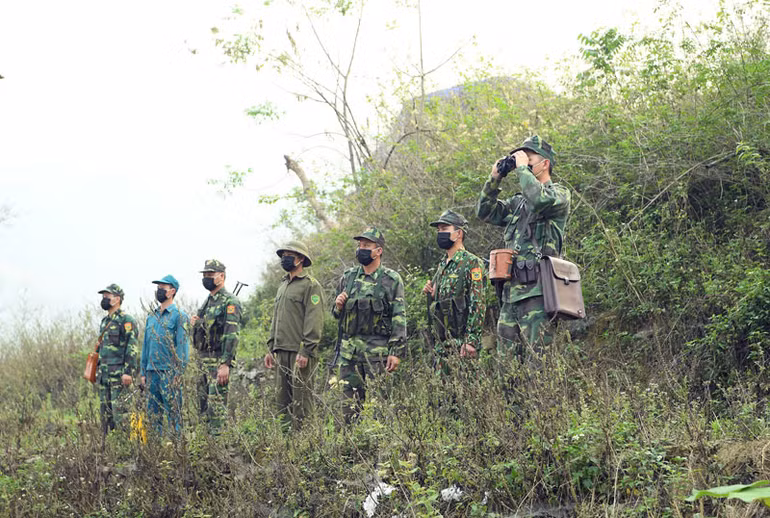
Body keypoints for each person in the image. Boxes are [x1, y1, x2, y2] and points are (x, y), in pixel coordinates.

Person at [476, 135, 571, 361]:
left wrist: (521, 170)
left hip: (540, 293)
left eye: (529, 158)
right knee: (507, 368)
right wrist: (494, 178)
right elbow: (485, 212)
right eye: (522, 159)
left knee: (539, 365)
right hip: (511, 295)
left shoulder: (558, 194)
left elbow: (539, 200)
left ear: (545, 163)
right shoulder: (517, 204)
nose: (524, 163)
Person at [332, 227, 406, 423]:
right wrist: (338, 306)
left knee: (380, 411)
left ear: (378, 250)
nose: (361, 249)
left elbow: (399, 316)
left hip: (377, 356)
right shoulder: (348, 278)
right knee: (347, 411)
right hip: (349, 356)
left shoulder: (391, 280)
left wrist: (396, 352)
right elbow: (336, 316)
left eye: (366, 245)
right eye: (359, 245)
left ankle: (379, 452)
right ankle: (349, 450)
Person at [264, 241, 324, 430]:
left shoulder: (310, 286)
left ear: (301, 259)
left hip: (300, 353)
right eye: (283, 255)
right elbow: (276, 318)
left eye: (290, 255)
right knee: (282, 403)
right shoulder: (282, 285)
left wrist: (306, 350)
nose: (285, 258)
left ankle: (304, 448)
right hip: (281, 351)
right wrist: (270, 348)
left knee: (302, 405)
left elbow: (314, 320)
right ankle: (285, 447)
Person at [423, 210, 487, 372]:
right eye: (439, 230)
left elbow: (478, 303)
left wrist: (471, 341)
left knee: (465, 394)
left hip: (461, 346)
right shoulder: (442, 265)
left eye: (444, 229)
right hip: (441, 347)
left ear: (458, 234)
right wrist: (431, 294)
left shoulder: (471, 263)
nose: (440, 233)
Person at [191, 259, 242, 436]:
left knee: (216, 410)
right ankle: (205, 449)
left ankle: (219, 451)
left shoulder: (230, 301)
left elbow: (231, 334)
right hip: (203, 361)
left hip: (218, 361)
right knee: (203, 408)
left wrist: (225, 364)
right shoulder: (207, 302)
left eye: (210, 275)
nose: (206, 278)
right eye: (205, 275)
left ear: (221, 276)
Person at [140, 274, 189, 437]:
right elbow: (146, 346)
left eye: (163, 288)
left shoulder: (179, 316)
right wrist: (143, 372)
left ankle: (176, 450)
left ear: (172, 291)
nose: (159, 291)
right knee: (152, 414)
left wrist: (178, 372)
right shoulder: (151, 318)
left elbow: (182, 347)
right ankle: (155, 452)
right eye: (158, 288)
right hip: (151, 372)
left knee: (174, 413)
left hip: (169, 373)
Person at [96, 283, 139, 434]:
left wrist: (128, 372)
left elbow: (132, 347)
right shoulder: (104, 322)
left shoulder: (126, 320)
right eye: (103, 296)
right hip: (104, 376)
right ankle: (108, 450)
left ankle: (127, 449)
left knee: (122, 414)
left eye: (107, 296)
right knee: (105, 415)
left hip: (119, 376)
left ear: (117, 299)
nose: (104, 299)